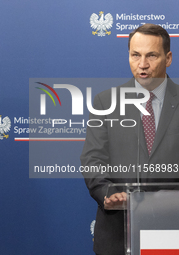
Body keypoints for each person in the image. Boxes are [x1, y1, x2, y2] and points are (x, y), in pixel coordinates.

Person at [81, 23, 179, 255]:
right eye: (135, 55)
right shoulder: (106, 102)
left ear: (168, 58)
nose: (142, 65)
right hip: (118, 232)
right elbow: (92, 159)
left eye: (151, 56)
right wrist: (108, 194)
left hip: (173, 228)